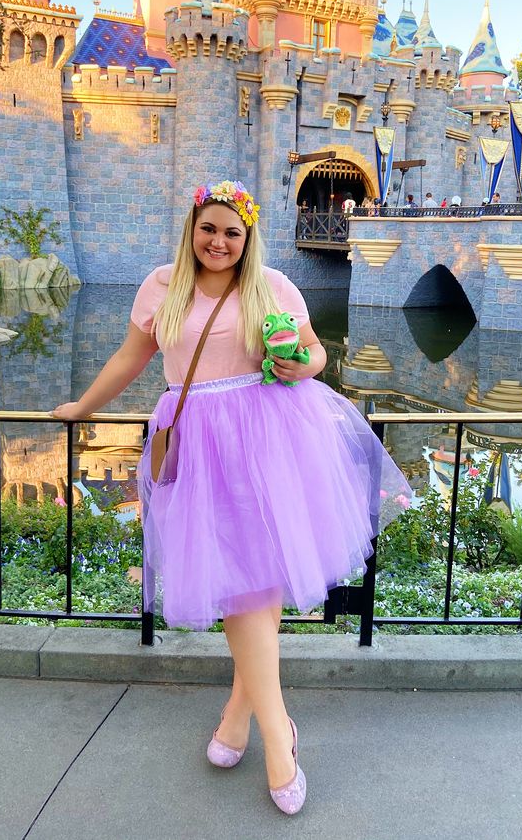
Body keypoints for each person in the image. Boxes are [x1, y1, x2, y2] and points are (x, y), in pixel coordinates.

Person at [52, 181, 411, 815]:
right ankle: (255, 723)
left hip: (269, 436)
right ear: (192, 228)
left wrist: (305, 363)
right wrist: (82, 406)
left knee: (256, 585)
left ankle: (272, 735)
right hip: (196, 444)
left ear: (248, 239)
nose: (219, 242)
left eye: (232, 232)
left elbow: (314, 350)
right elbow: (132, 358)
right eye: (209, 228)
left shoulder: (273, 286)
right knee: (248, 584)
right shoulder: (161, 285)